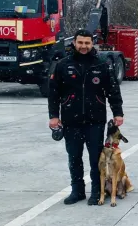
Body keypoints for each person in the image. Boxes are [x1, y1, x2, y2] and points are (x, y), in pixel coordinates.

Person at [48, 29, 124, 206]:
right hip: (71, 120)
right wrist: (53, 116)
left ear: (92, 44)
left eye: (87, 43)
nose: (84, 46)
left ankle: (96, 191)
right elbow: (53, 93)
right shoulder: (63, 65)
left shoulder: (101, 64)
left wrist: (118, 112)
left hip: (94, 120)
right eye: (80, 43)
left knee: (95, 158)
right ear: (74, 43)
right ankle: (77, 190)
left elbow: (113, 91)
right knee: (74, 157)